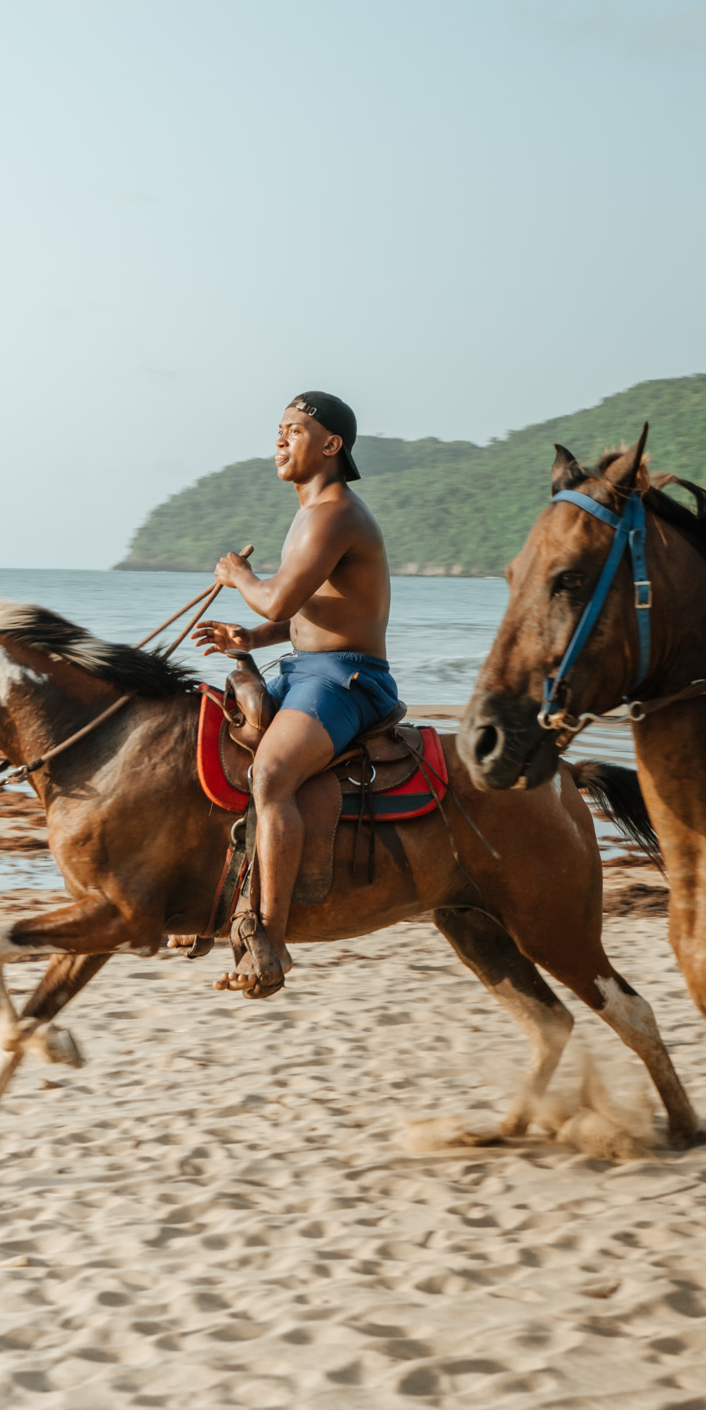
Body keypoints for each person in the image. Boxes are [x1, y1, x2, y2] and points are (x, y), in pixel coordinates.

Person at [193, 391, 398, 997]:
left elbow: (281, 598)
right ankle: (206, 901)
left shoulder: (336, 513)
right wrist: (250, 635)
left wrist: (239, 578)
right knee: (207, 733)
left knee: (273, 774)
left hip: (347, 679)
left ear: (331, 445)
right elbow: (306, 614)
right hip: (303, 664)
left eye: (294, 430)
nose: (280, 440)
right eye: (277, 430)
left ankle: (270, 941)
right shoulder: (309, 512)